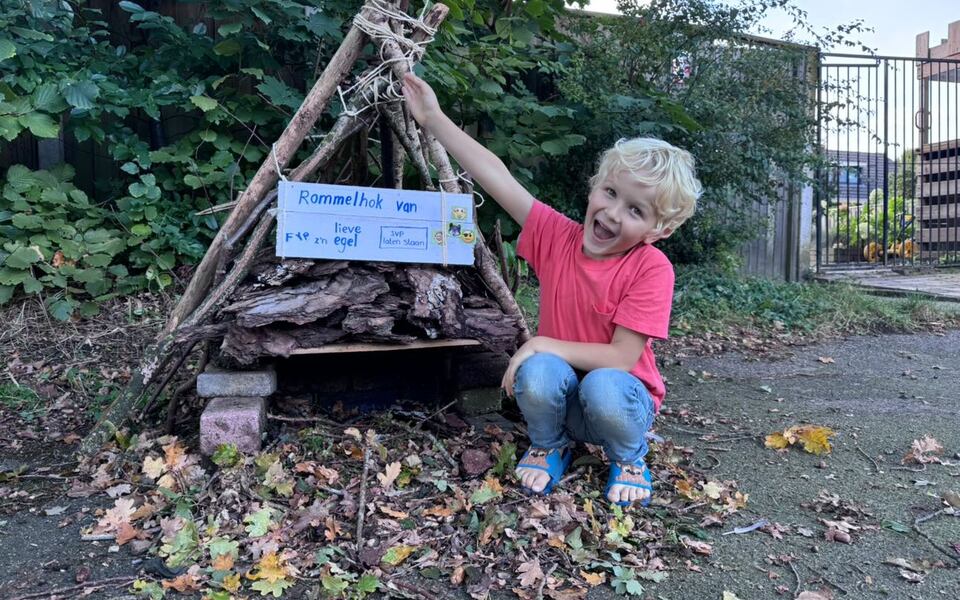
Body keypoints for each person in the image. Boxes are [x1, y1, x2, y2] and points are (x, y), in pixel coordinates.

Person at [402, 72, 701, 507]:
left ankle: (629, 458)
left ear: (660, 230)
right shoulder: (557, 237)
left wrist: (541, 343)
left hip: (620, 404)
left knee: (599, 384)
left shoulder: (651, 268)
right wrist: (433, 117)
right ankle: (550, 444)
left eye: (635, 210)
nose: (613, 213)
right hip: (565, 402)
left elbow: (621, 358)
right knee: (539, 373)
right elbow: (497, 176)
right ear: (595, 187)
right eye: (610, 192)